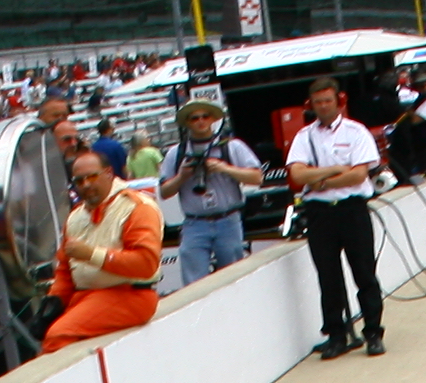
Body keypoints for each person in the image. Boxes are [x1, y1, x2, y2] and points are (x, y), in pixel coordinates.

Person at [288, 77, 388, 361]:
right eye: (318, 103)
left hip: (352, 210)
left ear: (339, 100)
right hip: (320, 214)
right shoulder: (304, 136)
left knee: (364, 274)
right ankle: (336, 335)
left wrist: (318, 178)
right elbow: (296, 175)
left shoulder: (357, 132)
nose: (323, 107)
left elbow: (358, 174)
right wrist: (333, 170)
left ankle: (373, 333)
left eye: (328, 101)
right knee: (328, 278)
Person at [43, 150, 161, 353]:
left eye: (92, 177)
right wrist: (54, 301)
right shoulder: (75, 216)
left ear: (108, 173)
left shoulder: (136, 207)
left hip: (130, 295)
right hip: (88, 297)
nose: (86, 185)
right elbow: (65, 269)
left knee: (57, 337)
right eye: (79, 181)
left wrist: (91, 254)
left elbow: (146, 263)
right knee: (48, 333)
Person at [165, 94, 262, 287]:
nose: (200, 121)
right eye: (194, 118)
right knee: (194, 283)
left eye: (205, 116)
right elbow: (165, 191)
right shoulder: (176, 153)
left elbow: (257, 177)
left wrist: (223, 168)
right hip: (195, 223)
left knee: (234, 278)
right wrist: (183, 176)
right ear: (187, 122)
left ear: (213, 119)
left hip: (228, 219)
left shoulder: (231, 146)